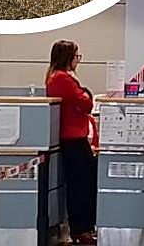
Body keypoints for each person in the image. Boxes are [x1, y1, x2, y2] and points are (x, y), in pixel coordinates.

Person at [45, 41, 98, 245]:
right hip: (73, 139)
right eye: (77, 57)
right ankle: (81, 229)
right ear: (68, 57)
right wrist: (86, 93)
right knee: (81, 186)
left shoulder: (57, 77)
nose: (78, 61)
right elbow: (85, 102)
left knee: (82, 183)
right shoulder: (62, 79)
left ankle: (83, 227)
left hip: (73, 138)